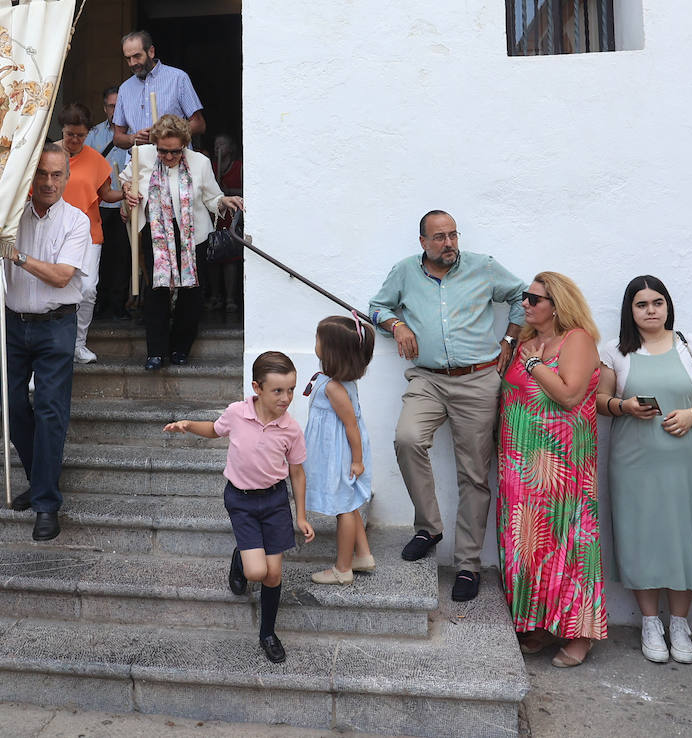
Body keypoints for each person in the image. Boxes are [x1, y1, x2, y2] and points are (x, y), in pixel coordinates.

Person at [367, 209, 526, 602]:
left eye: (453, 235)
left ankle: (468, 564)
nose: (449, 243)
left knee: (474, 473)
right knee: (407, 439)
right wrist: (397, 325)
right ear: (423, 242)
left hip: (478, 379)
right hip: (428, 379)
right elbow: (377, 307)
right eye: (439, 237)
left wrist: (509, 341)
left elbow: (523, 296)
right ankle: (429, 527)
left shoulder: (483, 267)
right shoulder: (404, 271)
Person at [596, 275, 692, 665]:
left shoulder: (691, 345)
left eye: (657, 302)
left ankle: (680, 624)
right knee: (641, 535)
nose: (651, 310)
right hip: (634, 460)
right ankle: (651, 623)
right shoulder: (614, 351)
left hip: (690, 457)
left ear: (668, 305)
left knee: (688, 534)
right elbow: (602, 400)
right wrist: (626, 406)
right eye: (642, 304)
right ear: (630, 310)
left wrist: (691, 414)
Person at [164, 351, 314, 664]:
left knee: (273, 575)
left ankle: (267, 634)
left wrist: (300, 515)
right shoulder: (237, 413)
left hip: (274, 502)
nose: (286, 398)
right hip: (241, 501)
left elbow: (297, 473)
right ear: (257, 387)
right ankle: (241, 557)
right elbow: (215, 429)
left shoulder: (291, 429)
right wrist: (189, 425)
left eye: (290, 390)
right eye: (277, 391)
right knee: (256, 571)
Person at [496, 272, 606, 668]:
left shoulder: (577, 339)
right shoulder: (525, 342)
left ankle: (580, 633)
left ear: (557, 305)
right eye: (525, 297)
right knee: (529, 547)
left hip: (562, 468)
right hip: (519, 468)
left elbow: (569, 394)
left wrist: (536, 364)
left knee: (568, 544)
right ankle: (541, 625)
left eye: (534, 298)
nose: (525, 304)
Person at [0, 144, 91, 542]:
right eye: (42, 175)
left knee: (50, 412)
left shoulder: (77, 221)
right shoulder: (9, 216)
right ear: (30, 178)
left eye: (57, 175)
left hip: (56, 326)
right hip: (13, 324)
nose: (49, 183)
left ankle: (47, 504)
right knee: (13, 407)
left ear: (67, 179)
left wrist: (17, 258)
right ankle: (40, 484)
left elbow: (61, 276)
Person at [120, 115, 244, 370]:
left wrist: (224, 202)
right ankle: (156, 351)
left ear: (185, 145)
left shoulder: (200, 162)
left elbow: (212, 197)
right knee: (156, 292)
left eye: (175, 152)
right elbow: (125, 180)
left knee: (192, 293)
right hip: (157, 234)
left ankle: (180, 348)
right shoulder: (142, 155)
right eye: (163, 151)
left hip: (193, 235)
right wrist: (128, 193)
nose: (168, 157)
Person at [302, 315, 376, 585]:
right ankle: (363, 554)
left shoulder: (334, 387)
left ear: (331, 350)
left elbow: (351, 426)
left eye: (318, 339)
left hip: (341, 454)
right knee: (350, 501)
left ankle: (342, 569)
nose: (316, 343)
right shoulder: (331, 379)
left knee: (344, 507)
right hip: (336, 451)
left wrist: (356, 461)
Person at [58, 103, 124, 363]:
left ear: (88, 134)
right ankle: (56, 349)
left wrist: (128, 194)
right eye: (69, 134)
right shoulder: (47, 156)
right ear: (61, 130)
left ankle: (78, 343)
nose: (74, 140)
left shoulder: (96, 159)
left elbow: (106, 195)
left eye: (80, 136)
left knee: (87, 289)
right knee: (55, 292)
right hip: (54, 232)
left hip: (88, 231)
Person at [111, 30, 206, 149]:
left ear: (151, 52)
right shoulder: (125, 88)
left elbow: (199, 124)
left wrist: (166, 133)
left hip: (174, 159)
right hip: (139, 164)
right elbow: (117, 137)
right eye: (128, 59)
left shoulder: (178, 78)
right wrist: (133, 138)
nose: (132, 63)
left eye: (137, 56)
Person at [84, 86, 131, 320]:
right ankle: (99, 303)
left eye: (118, 105)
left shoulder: (133, 134)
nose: (115, 110)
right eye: (111, 105)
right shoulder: (93, 134)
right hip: (99, 205)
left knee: (122, 256)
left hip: (125, 204)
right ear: (105, 108)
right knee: (98, 255)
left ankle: (119, 304)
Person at [202, 134, 244, 317]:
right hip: (213, 216)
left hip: (230, 216)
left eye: (222, 144)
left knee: (230, 258)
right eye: (216, 144)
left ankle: (230, 298)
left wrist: (226, 192)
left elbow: (246, 189)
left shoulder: (238, 167)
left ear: (231, 148)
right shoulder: (210, 167)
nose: (218, 147)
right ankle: (215, 296)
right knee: (213, 257)